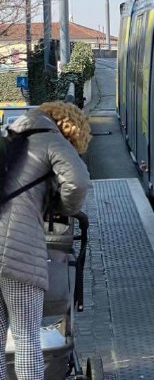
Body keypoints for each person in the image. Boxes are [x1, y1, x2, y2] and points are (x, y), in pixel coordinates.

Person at [0, 102, 91, 380]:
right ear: (70, 129)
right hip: (19, 249)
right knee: (26, 335)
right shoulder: (52, 140)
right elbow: (77, 182)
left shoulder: (8, 138)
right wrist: (64, 208)